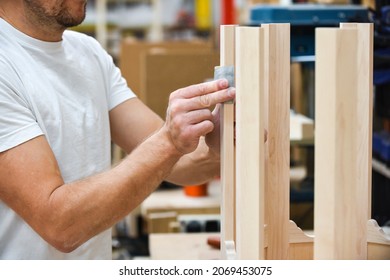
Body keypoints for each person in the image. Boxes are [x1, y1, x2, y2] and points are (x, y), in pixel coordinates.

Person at [0, 0, 235, 259]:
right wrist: (170, 142)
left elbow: (181, 163)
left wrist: (221, 146)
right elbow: (60, 225)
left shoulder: (88, 52)